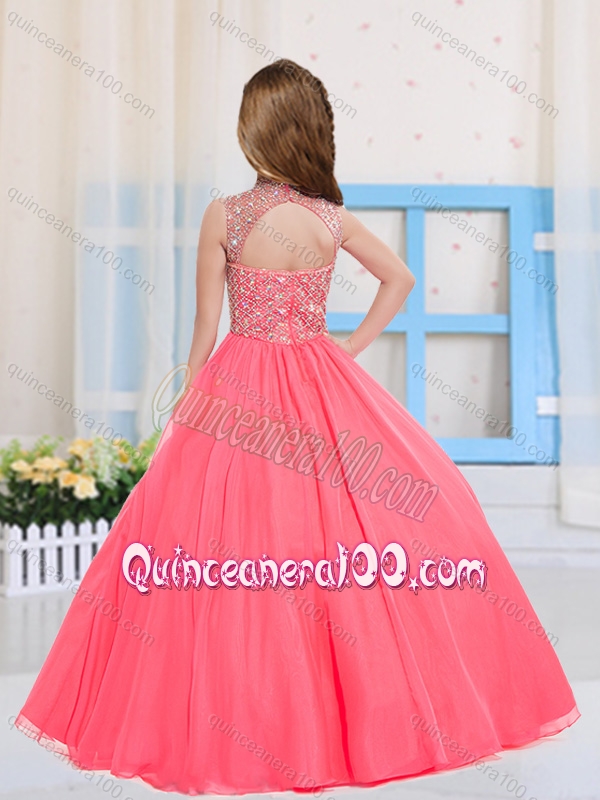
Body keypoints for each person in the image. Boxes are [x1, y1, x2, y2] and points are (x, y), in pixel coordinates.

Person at [14, 58, 579, 796]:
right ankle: (349, 719)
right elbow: (401, 278)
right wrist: (348, 348)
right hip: (320, 380)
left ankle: (239, 720)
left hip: (237, 385)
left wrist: (189, 404)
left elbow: (204, 327)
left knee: (224, 544)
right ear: (313, 132)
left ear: (253, 133)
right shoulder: (328, 219)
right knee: (338, 538)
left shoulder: (225, 215)